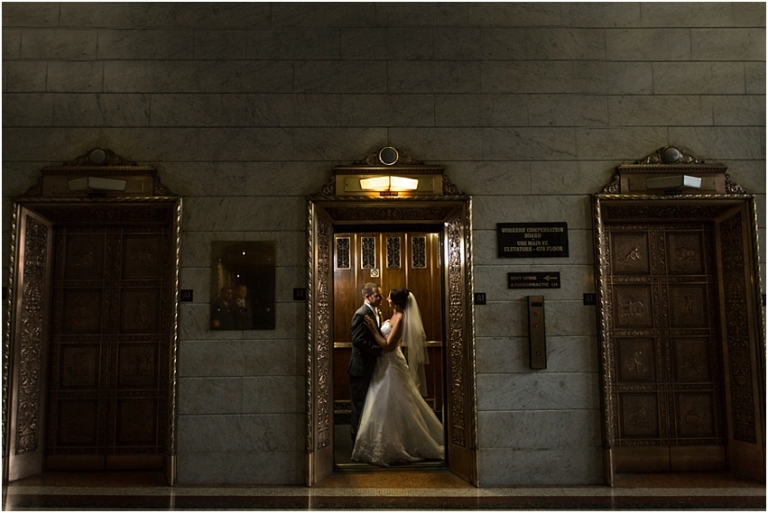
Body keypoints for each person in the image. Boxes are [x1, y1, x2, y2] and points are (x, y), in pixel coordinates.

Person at [351, 287, 445, 466]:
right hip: (383, 364)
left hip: (391, 364)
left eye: (388, 297)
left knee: (394, 401)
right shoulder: (392, 316)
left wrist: (373, 330)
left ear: (395, 301)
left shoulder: (401, 318)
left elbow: (387, 345)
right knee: (380, 403)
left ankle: (403, 442)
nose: (385, 298)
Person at [348, 283, 388, 444]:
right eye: (377, 295)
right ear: (367, 297)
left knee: (368, 406)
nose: (381, 298)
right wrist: (379, 350)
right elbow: (357, 341)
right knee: (359, 406)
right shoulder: (361, 313)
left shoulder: (375, 311)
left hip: (371, 367)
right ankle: (355, 441)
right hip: (360, 368)